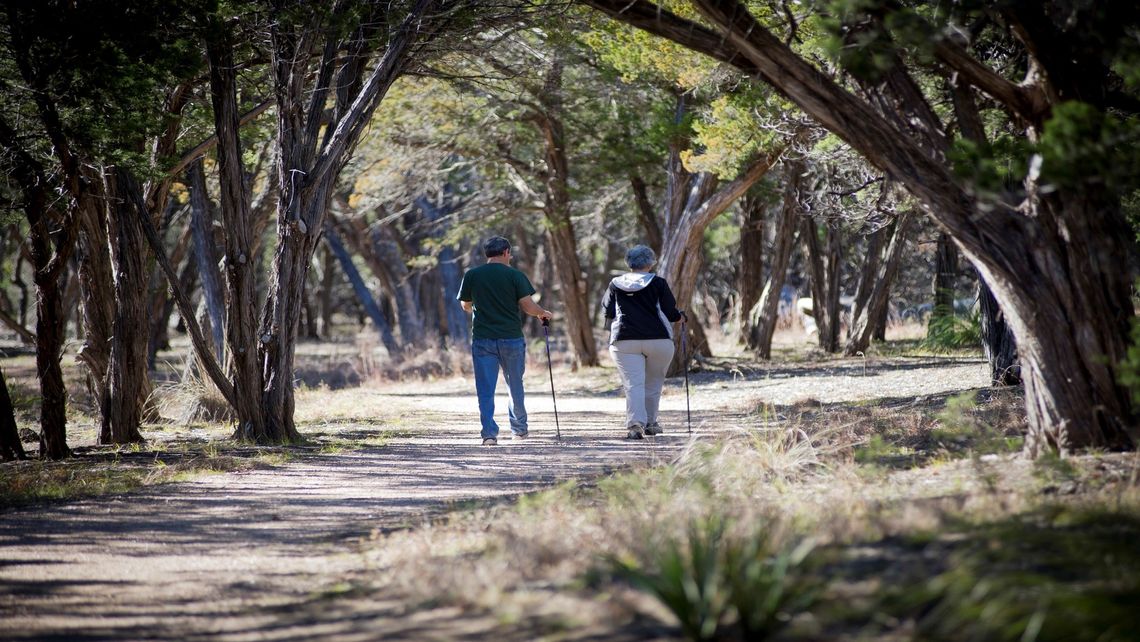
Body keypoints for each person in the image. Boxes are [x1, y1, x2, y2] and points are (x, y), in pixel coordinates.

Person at [458, 236, 553, 446]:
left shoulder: (472, 275)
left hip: (483, 339)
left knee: (485, 388)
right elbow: (528, 305)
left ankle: (489, 434)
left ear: (487, 254)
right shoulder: (515, 275)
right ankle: (518, 431)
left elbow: (465, 305)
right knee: (515, 385)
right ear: (506, 252)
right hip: (511, 338)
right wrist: (542, 313)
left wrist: (481, 306)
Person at [601, 245, 684, 440]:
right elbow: (672, 313)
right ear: (650, 262)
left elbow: (608, 313)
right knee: (654, 383)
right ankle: (652, 424)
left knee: (633, 384)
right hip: (658, 340)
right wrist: (682, 317)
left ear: (628, 263)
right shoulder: (658, 283)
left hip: (624, 340)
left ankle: (636, 425)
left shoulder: (615, 283)